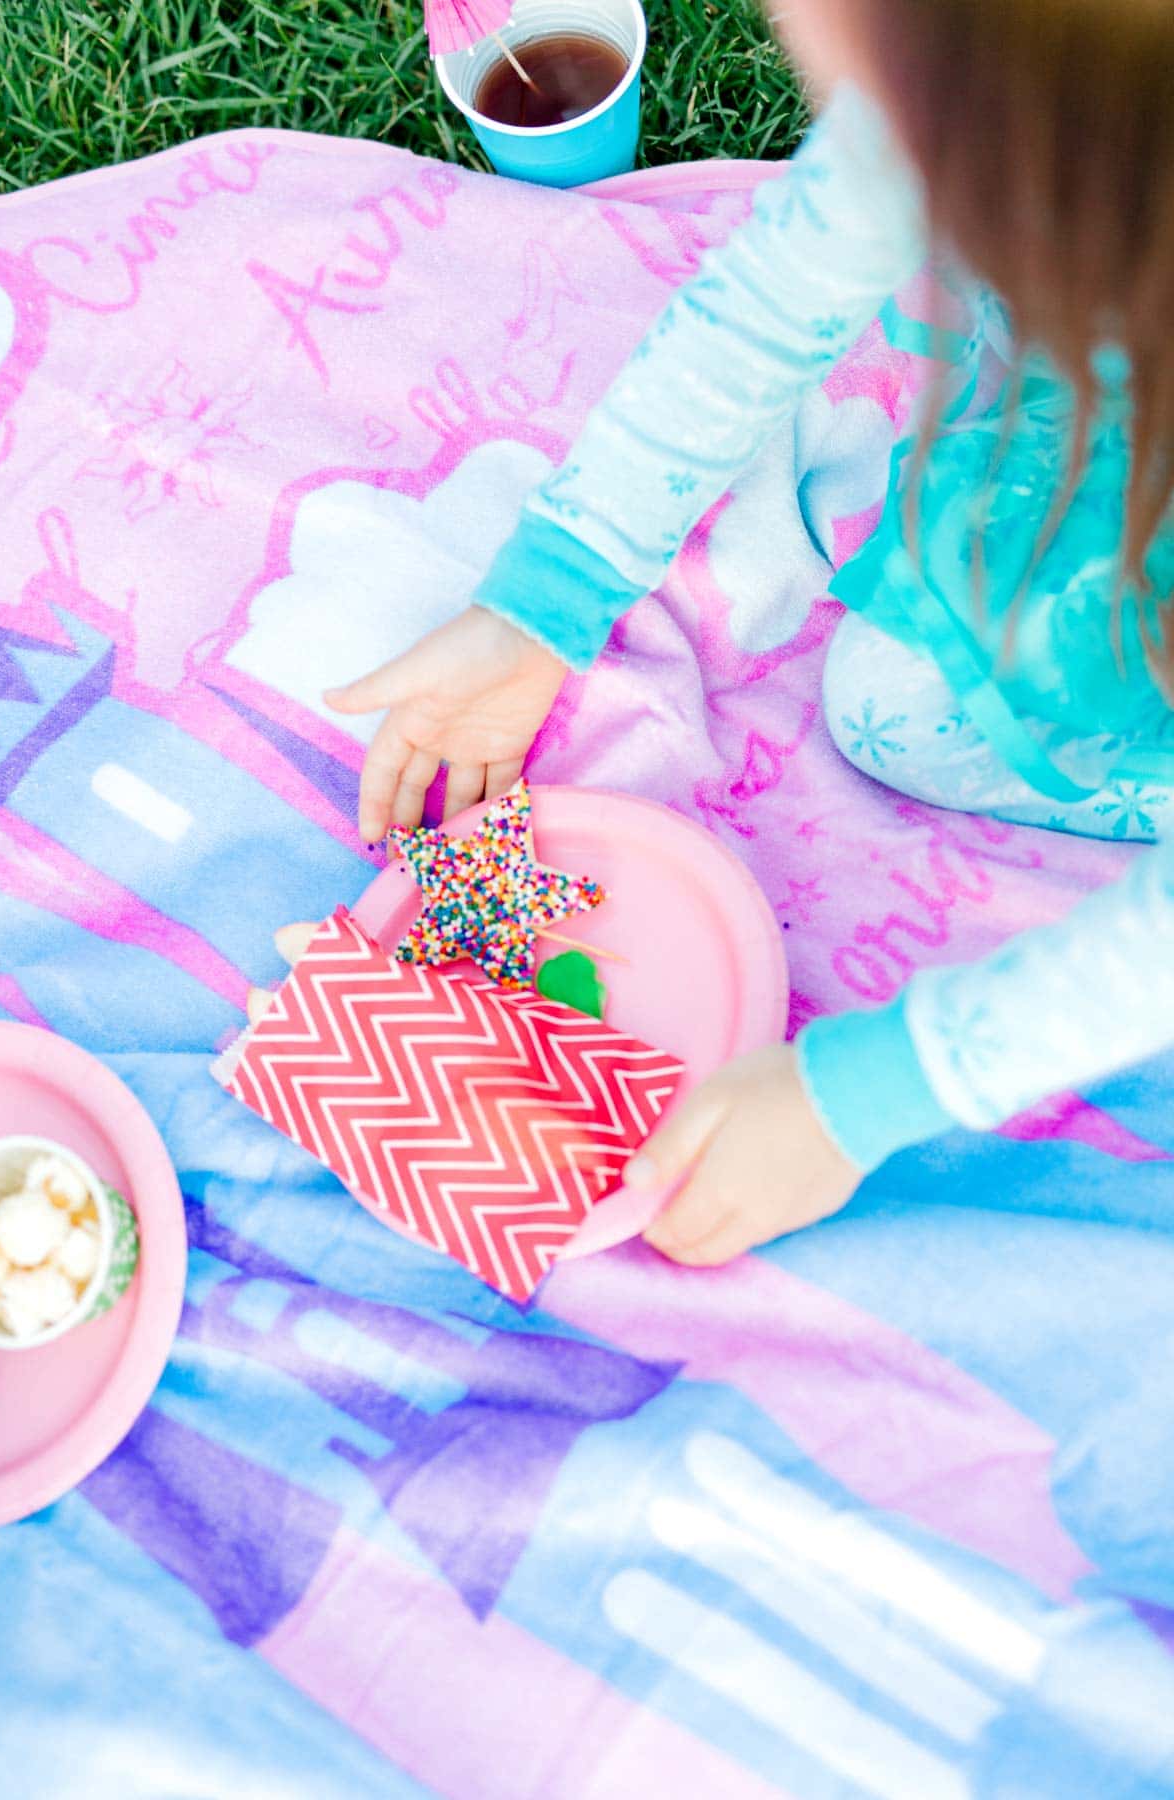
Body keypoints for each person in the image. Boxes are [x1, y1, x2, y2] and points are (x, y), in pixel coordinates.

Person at [322, 0, 1174, 1266]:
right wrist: (555, 586)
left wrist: (876, 1091)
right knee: (886, 704)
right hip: (1097, 447)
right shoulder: (990, 84)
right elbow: (776, 296)